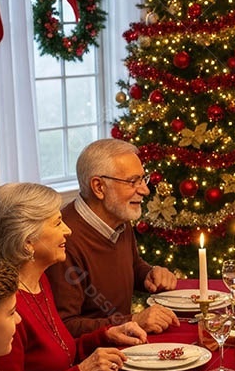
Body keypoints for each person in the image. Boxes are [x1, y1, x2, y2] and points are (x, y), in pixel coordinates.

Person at [0, 182, 148, 371]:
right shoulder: (4, 306)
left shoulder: (39, 282)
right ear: (28, 240)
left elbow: (61, 354)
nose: (68, 230)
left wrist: (106, 336)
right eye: (58, 223)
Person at [46, 138, 180, 336]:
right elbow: (65, 328)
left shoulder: (118, 216)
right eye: (133, 181)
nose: (145, 190)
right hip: (94, 358)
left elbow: (132, 266)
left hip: (122, 347)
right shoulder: (64, 240)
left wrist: (148, 275)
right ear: (99, 187)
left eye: (143, 179)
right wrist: (133, 321)